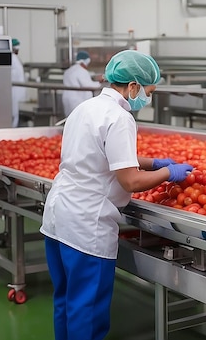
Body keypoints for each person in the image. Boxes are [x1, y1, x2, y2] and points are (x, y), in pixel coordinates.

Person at [40, 50, 194, 340]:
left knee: (66, 301)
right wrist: (168, 174)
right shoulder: (120, 118)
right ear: (133, 86)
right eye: (148, 91)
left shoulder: (86, 108)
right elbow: (131, 181)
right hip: (87, 226)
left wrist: (154, 162)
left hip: (58, 216)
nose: (147, 98)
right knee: (88, 311)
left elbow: (106, 154)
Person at [62, 50, 102, 117]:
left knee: (70, 120)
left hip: (68, 99)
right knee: (79, 120)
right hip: (77, 101)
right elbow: (89, 86)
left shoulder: (69, 70)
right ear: (86, 61)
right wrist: (100, 82)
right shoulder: (81, 71)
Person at [11, 38, 27, 127]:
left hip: (18, 89)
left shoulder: (15, 58)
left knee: (16, 112)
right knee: (14, 113)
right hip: (14, 89)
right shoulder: (12, 58)